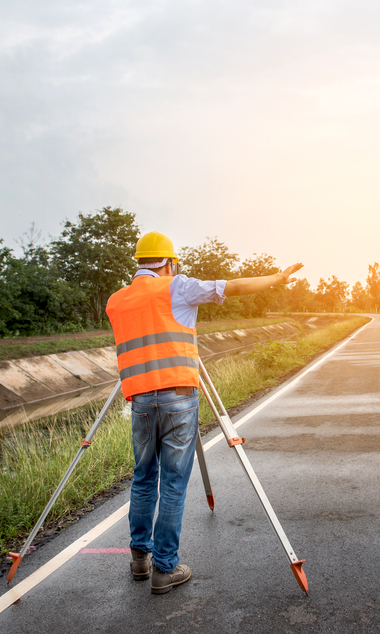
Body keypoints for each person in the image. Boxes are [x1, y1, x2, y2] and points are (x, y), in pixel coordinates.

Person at [105, 231, 302, 595]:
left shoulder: (116, 300)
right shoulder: (177, 287)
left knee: (144, 478)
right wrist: (276, 278)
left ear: (139, 262)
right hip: (179, 396)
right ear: (168, 263)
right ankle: (165, 568)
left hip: (141, 401)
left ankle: (139, 560)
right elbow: (235, 287)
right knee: (174, 482)